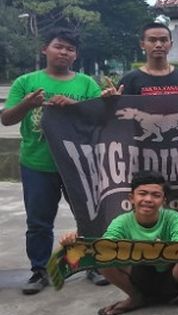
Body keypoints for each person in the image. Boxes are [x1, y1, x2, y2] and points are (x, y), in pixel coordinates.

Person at [1, 28, 108, 294]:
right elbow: (6, 119)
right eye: (59, 46)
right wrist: (27, 104)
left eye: (69, 49)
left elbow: (98, 121)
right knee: (38, 221)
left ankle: (92, 264)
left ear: (75, 55)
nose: (64, 52)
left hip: (79, 164)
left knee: (89, 217)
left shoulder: (86, 84)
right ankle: (39, 271)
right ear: (45, 49)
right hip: (37, 164)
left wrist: (74, 105)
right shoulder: (26, 82)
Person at [59, 172, 178, 315]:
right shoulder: (121, 222)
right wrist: (74, 242)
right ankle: (135, 298)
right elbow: (105, 245)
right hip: (137, 276)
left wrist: (166, 249)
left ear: (164, 200)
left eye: (156, 195)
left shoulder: (174, 218)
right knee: (103, 260)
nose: (148, 199)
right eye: (142, 193)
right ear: (131, 198)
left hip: (173, 276)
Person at [115, 22, 178, 96]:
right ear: (142, 45)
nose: (158, 45)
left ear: (171, 44)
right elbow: (120, 111)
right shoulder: (130, 80)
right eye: (152, 40)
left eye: (163, 40)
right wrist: (110, 101)